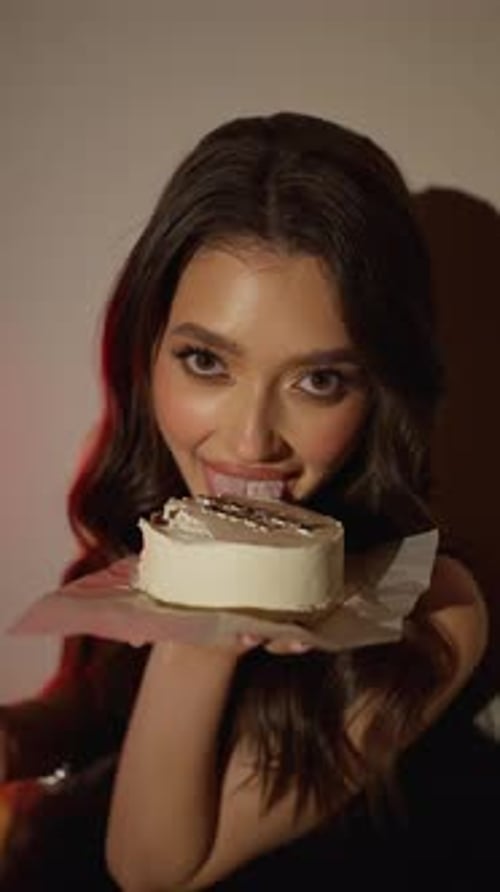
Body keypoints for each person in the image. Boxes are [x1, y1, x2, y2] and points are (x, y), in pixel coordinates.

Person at [0, 112, 488, 890]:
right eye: (206, 362)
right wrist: (19, 738)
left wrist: (205, 631)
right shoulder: (159, 516)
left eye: (318, 380)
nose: (252, 441)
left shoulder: (429, 612)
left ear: (379, 391)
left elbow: (152, 869)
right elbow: (99, 711)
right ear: (148, 351)